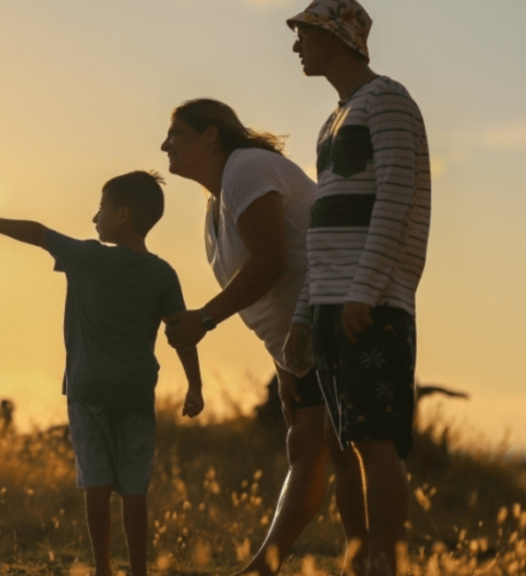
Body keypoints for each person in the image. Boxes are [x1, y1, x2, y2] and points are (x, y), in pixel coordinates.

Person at [0, 171, 204, 576]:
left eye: (101, 208)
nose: (94, 217)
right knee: (135, 491)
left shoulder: (88, 256)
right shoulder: (162, 273)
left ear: (122, 214)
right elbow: (181, 333)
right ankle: (139, 572)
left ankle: (102, 570)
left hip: (88, 389)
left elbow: (36, 232)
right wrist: (195, 384)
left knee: (96, 485)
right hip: (136, 392)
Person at [160, 98, 367, 575]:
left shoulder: (247, 169)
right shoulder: (219, 200)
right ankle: (292, 565)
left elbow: (272, 260)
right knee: (309, 447)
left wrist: (204, 319)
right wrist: (282, 363)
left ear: (211, 135)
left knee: (338, 446)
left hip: (332, 316)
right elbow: (275, 277)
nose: (165, 145)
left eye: (177, 134)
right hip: (301, 338)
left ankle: (348, 562)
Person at [284, 2, 431, 574]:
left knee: (375, 441)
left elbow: (397, 199)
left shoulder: (389, 101)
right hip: (330, 302)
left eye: (304, 34)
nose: (296, 45)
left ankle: (385, 565)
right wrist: (303, 314)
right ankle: (361, 561)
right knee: (343, 444)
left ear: (336, 38)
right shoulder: (334, 118)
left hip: (369, 303)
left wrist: (365, 290)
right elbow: (323, 228)